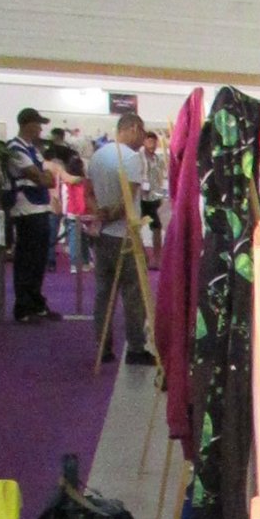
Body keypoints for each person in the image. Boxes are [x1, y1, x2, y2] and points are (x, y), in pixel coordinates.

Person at [88, 112, 153, 367]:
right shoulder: (131, 158)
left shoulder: (98, 155)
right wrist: (111, 214)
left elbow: (89, 191)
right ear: (134, 128)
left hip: (104, 234)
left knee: (104, 293)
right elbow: (129, 197)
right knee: (133, 293)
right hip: (125, 234)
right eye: (142, 132)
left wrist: (100, 213)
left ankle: (102, 345)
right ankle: (136, 346)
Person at [3, 105, 60, 321]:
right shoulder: (15, 148)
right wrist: (43, 178)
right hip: (26, 208)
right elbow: (38, 175)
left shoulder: (32, 149)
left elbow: (48, 176)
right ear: (28, 124)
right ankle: (23, 307)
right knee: (27, 259)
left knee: (38, 259)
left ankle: (36, 302)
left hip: (39, 206)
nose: (40, 129)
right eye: (38, 124)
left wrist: (44, 177)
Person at [139, 128, 166, 248]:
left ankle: (157, 254)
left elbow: (161, 178)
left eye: (154, 142)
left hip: (153, 197)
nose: (152, 145)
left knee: (156, 227)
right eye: (149, 142)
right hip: (140, 197)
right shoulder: (138, 157)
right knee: (136, 227)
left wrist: (160, 196)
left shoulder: (158, 160)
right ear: (144, 142)